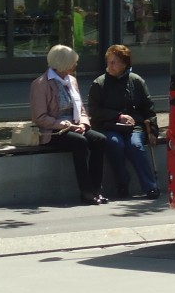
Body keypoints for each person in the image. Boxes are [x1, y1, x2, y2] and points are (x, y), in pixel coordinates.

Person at [28, 44, 109, 205]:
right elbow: (39, 117)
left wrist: (84, 124)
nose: (76, 65)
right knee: (80, 142)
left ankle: (95, 189)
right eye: (73, 62)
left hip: (74, 125)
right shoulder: (40, 84)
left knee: (99, 139)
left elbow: (81, 108)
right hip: (53, 130)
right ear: (62, 63)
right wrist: (64, 124)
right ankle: (86, 192)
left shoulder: (72, 80)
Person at [88, 44, 160, 199]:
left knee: (135, 145)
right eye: (109, 61)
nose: (110, 65)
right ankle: (122, 182)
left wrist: (153, 129)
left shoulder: (136, 81)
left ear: (124, 64)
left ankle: (150, 186)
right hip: (110, 125)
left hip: (135, 126)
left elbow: (148, 107)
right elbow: (94, 111)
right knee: (115, 143)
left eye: (114, 62)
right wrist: (117, 116)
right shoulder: (99, 84)